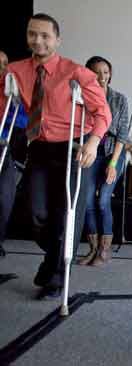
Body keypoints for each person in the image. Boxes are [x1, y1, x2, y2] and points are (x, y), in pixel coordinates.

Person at [0, 14, 111, 299]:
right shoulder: (15, 71)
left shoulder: (76, 73)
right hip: (39, 145)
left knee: (67, 215)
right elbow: (2, 106)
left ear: (57, 40)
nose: (38, 40)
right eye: (32, 34)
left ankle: (57, 278)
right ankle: (54, 258)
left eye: (45, 35)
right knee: (36, 214)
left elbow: (103, 113)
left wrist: (93, 143)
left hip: (75, 147)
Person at [77, 56, 129, 266]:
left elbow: (122, 135)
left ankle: (104, 250)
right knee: (87, 201)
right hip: (90, 153)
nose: (102, 77)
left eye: (106, 72)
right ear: (88, 74)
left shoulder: (119, 99)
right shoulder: (80, 97)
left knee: (102, 200)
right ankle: (92, 248)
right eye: (96, 72)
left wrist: (113, 164)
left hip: (112, 154)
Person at [0, 51, 29, 258]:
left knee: (4, 198)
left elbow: (25, 120)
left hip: (4, 148)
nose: (2, 68)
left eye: (4, 64)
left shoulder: (12, 91)